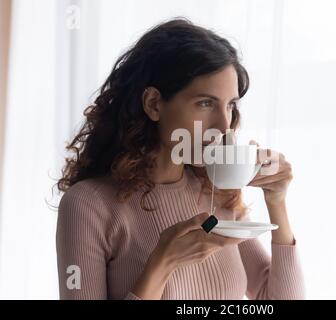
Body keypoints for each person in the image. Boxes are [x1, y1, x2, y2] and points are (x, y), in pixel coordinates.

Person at [56, 18, 305, 300]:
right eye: (205, 103)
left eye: (230, 106)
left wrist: (276, 203)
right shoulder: (88, 205)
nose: (224, 126)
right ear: (153, 104)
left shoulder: (216, 193)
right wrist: (162, 264)